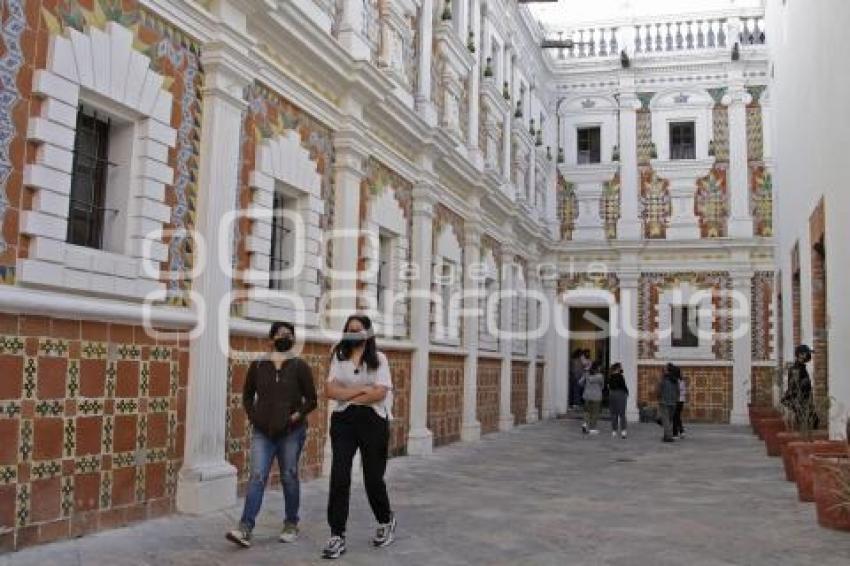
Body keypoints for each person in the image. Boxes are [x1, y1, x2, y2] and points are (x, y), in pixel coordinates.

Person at [226, 322, 317, 548]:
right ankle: (245, 528)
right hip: (262, 433)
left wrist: (295, 417)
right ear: (270, 340)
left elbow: (312, 400)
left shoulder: (300, 367)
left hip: (291, 433)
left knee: (289, 476)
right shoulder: (258, 366)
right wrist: (254, 417)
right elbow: (247, 396)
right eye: (281, 334)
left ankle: (291, 523)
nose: (285, 337)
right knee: (257, 476)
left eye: (289, 335)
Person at [322, 314, 397, 560]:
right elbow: (329, 390)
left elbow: (379, 394)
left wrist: (347, 394)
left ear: (368, 333)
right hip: (344, 420)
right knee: (340, 475)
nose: (353, 333)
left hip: (373, 420)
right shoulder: (338, 355)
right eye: (349, 329)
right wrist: (361, 390)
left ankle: (385, 520)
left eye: (358, 329)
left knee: (373, 477)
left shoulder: (380, 359)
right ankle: (336, 535)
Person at [781, 344, 819, 431]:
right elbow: (795, 387)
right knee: (808, 423)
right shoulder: (796, 369)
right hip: (801, 403)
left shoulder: (801, 368)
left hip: (805, 401)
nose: (809, 356)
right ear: (800, 355)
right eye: (807, 353)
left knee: (813, 422)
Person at [579, 361, 604, 435]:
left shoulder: (586, 374)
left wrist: (586, 386)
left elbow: (580, 382)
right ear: (597, 368)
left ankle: (585, 424)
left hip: (587, 396)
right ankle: (592, 429)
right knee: (594, 413)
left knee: (587, 411)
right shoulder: (600, 376)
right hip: (596, 397)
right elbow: (602, 386)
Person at [658, 363, 680, 443]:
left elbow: (659, 390)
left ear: (667, 370)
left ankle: (668, 436)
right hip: (673, 402)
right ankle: (666, 435)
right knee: (669, 420)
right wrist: (675, 399)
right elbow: (678, 391)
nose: (664, 369)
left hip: (664, 402)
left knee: (666, 420)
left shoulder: (663, 379)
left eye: (665, 368)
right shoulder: (675, 380)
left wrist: (659, 398)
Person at [608, 363, 629, 439]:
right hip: (620, 394)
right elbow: (623, 386)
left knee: (614, 413)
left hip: (612, 394)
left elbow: (609, 386)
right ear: (618, 368)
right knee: (622, 413)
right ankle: (623, 431)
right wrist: (627, 393)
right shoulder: (620, 376)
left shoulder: (610, 376)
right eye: (621, 367)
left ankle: (614, 431)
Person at [672, 371, 687, 439]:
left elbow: (676, 391)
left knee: (675, 417)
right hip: (681, 401)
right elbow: (683, 391)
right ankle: (681, 431)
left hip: (677, 400)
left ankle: (676, 433)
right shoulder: (682, 381)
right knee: (677, 416)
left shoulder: (676, 382)